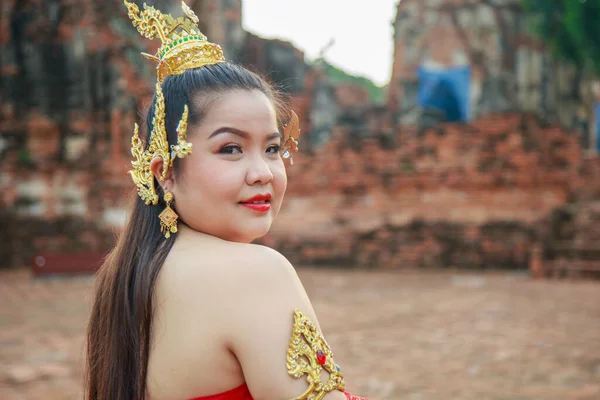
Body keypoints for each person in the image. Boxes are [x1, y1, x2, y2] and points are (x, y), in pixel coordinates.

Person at [85, 2, 368, 399]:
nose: (263, 172)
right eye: (231, 148)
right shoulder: (255, 273)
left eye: (272, 149)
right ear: (164, 171)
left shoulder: (127, 275)